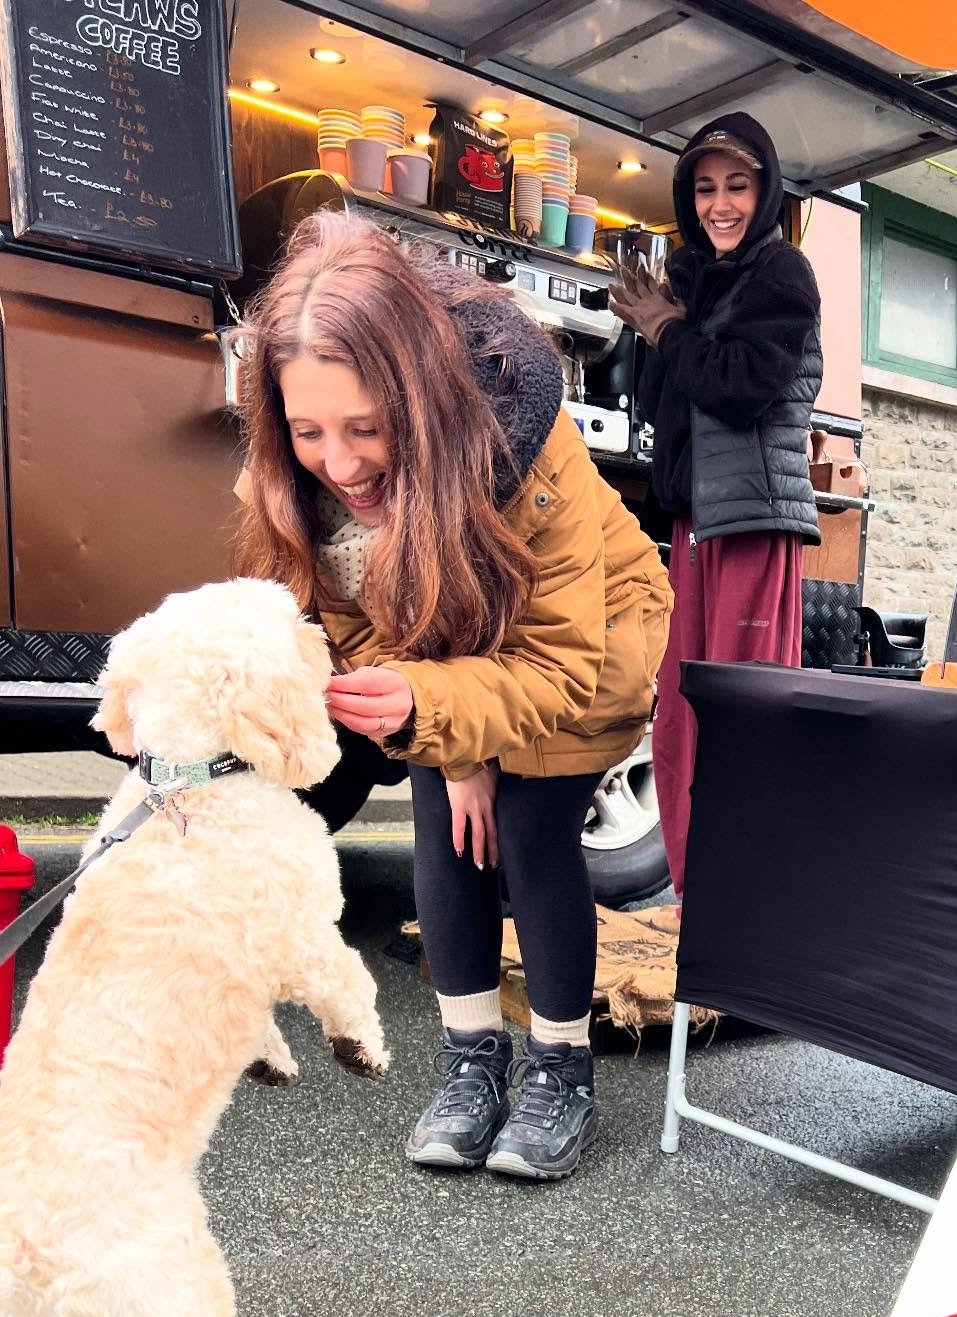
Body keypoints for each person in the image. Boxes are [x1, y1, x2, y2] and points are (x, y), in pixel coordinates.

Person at [237, 211, 671, 1180]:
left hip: (580, 642)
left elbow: (557, 662)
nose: (339, 464)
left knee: (527, 825)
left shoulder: (523, 440)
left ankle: (562, 1070)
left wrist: (449, 721)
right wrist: (451, 744)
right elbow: (345, 621)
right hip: (437, 647)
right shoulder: (291, 473)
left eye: (365, 430)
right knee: (443, 818)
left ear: (422, 401)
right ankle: (473, 1062)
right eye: (310, 431)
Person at [610, 112, 822, 903]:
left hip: (756, 523)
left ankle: (758, 901)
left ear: (765, 190)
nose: (720, 204)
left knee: (746, 719)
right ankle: (704, 897)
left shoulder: (784, 274)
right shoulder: (699, 281)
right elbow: (667, 404)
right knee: (681, 718)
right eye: (704, 189)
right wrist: (657, 325)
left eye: (738, 185)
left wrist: (670, 327)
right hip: (695, 525)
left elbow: (741, 389)